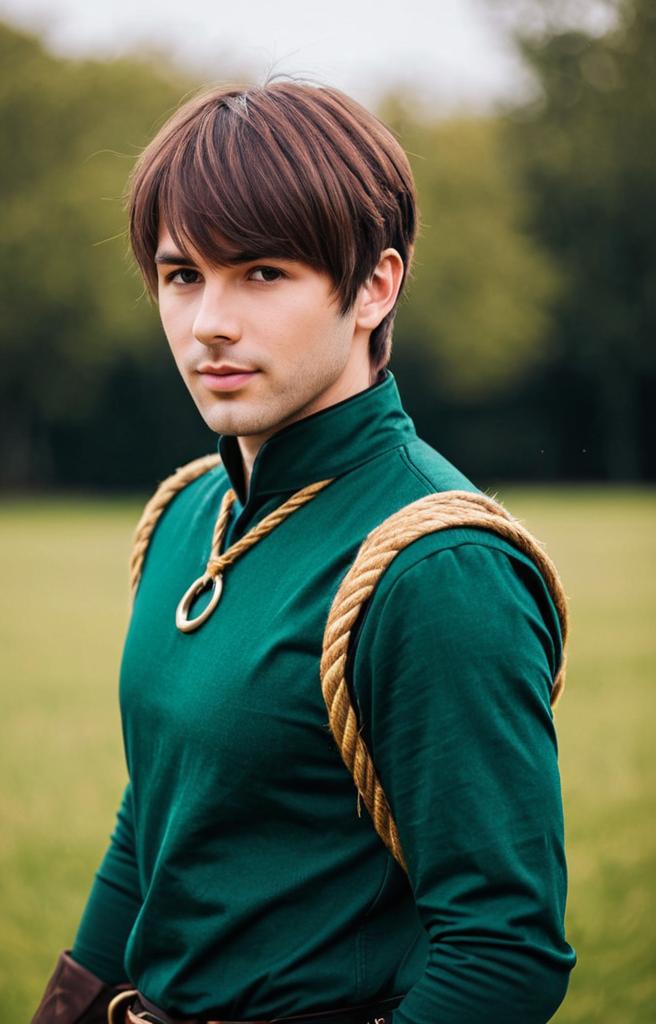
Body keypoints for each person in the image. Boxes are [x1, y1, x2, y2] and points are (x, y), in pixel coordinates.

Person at [31, 80, 576, 1024]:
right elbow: (158, 817)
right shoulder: (186, 515)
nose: (209, 322)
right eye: (182, 275)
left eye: (263, 273)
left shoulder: (438, 567)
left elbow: (503, 952)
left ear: (374, 285)